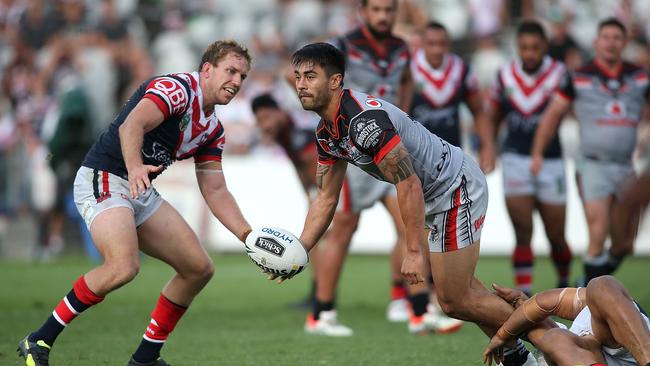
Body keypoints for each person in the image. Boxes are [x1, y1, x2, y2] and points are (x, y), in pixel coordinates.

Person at [284, 41, 536, 365]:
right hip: (439, 193)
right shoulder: (326, 132)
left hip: (454, 186)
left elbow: (408, 182)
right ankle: (522, 359)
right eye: (297, 76)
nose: (301, 84)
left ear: (335, 81)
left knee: (454, 300)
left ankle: (555, 334)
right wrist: (300, 251)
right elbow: (326, 198)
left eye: (310, 76)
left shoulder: (364, 123)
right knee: (464, 295)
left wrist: (414, 252)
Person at [17, 40, 254, 366]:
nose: (237, 81)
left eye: (243, 76)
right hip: (105, 175)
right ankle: (39, 339)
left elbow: (215, 189)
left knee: (198, 268)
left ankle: (145, 359)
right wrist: (134, 168)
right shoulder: (177, 89)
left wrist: (248, 236)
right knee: (123, 266)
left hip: (137, 187)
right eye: (231, 71)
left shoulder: (213, 128)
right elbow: (132, 126)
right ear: (207, 69)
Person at [531, 18, 650, 285]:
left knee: (624, 244)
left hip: (626, 166)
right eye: (605, 37)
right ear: (596, 42)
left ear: (625, 42)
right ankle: (588, 305)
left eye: (616, 37)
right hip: (592, 165)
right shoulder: (579, 76)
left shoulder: (640, 76)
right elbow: (553, 115)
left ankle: (588, 283)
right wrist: (537, 152)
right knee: (598, 232)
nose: (611, 42)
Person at [485, 20, 573, 295]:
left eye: (535, 47)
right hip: (515, 159)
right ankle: (524, 295)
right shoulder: (505, 76)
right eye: (524, 48)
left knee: (556, 236)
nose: (530, 53)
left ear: (545, 47)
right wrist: (489, 147)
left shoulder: (560, 74)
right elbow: (493, 115)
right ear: (517, 48)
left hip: (552, 161)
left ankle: (564, 288)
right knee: (523, 233)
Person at [483, 276, 650, 366]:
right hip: (592, 354)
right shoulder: (562, 341)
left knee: (601, 285)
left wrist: (502, 334)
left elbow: (541, 303)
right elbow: (540, 306)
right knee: (554, 338)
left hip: (628, 342)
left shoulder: (594, 305)